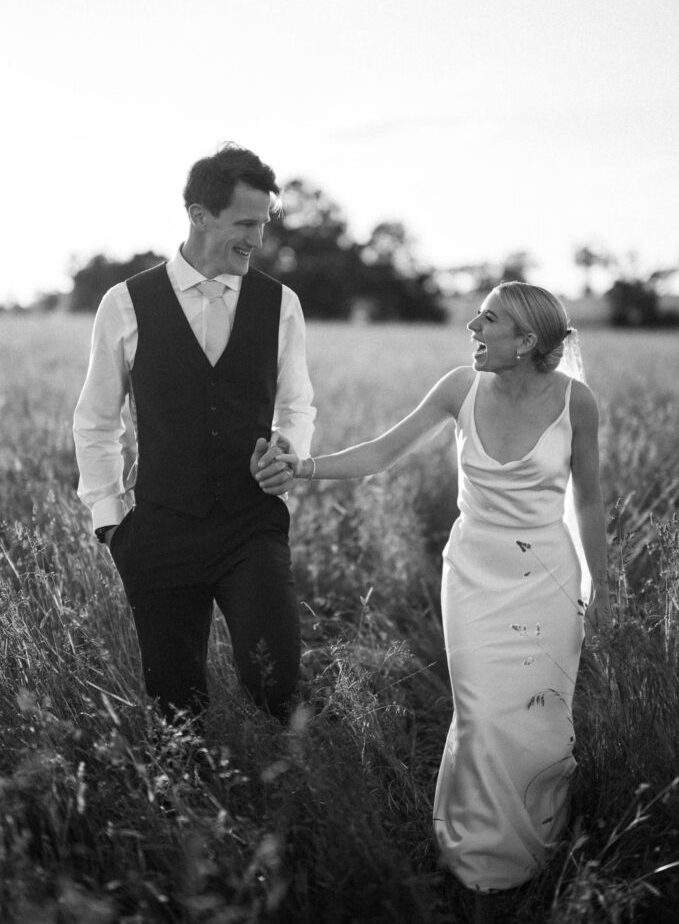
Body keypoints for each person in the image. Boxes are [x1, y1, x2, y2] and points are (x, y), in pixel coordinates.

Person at [253, 282, 610, 912]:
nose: (472, 324)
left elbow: (588, 499)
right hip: (473, 576)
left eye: (489, 319)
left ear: (526, 341)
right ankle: (476, 857)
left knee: (541, 717)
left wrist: (599, 585)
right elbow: (381, 453)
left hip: (548, 579)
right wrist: (301, 469)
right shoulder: (458, 389)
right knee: (481, 715)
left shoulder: (576, 403)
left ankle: (539, 844)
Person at [73, 142, 315, 724]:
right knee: (177, 706)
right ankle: (192, 807)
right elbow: (97, 419)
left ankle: (286, 797)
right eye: (245, 223)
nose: (258, 240)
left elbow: (298, 404)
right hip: (160, 530)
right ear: (199, 215)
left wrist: (288, 453)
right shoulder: (125, 303)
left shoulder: (280, 304)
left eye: (263, 224)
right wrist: (110, 522)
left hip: (251, 524)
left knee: (277, 683)